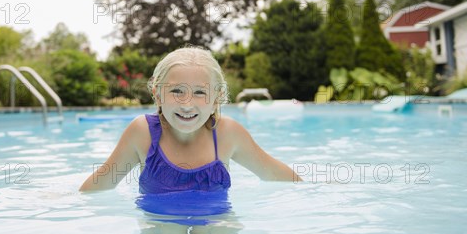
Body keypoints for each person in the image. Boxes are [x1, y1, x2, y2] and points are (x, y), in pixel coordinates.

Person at [79, 45, 302, 194]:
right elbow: (101, 183)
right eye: (176, 91)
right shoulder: (143, 133)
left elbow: (273, 173)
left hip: (214, 220)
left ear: (217, 97)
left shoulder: (227, 134)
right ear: (157, 94)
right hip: (162, 221)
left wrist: (317, 188)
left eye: (200, 92)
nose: (187, 104)